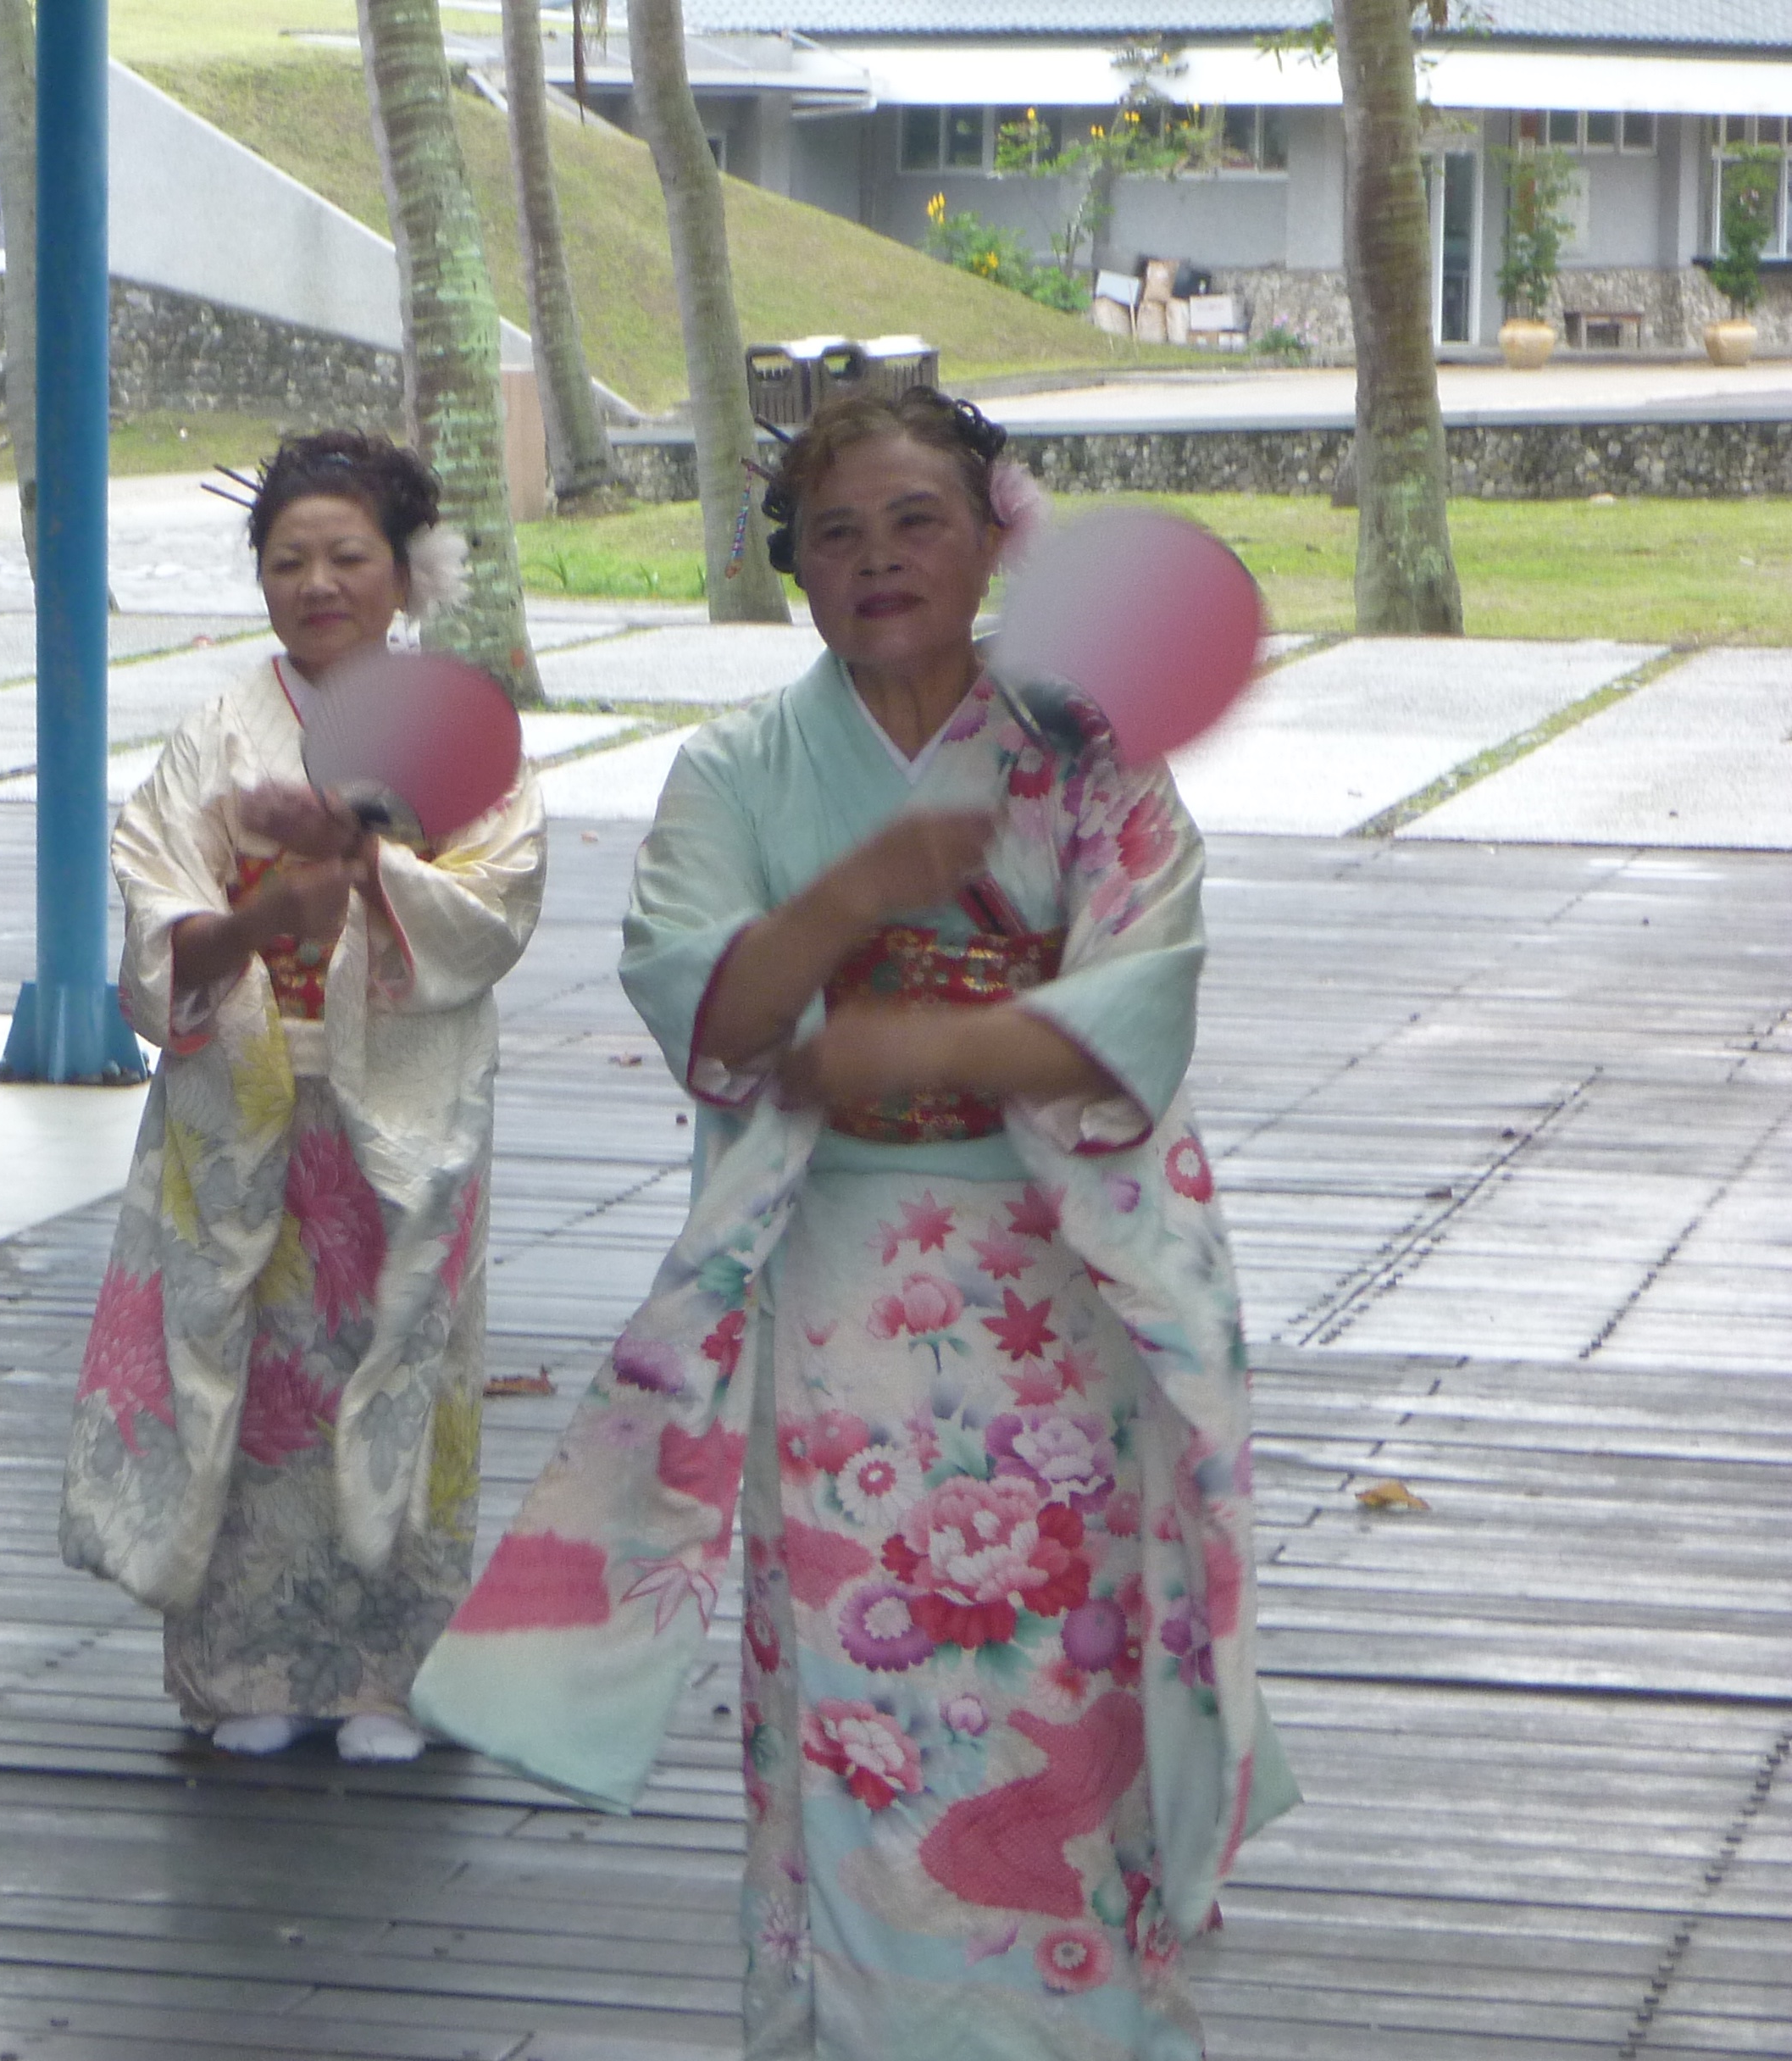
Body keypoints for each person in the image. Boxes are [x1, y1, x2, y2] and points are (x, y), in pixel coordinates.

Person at [413, 390, 1293, 2056]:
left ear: (993, 546)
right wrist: (856, 899)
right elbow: (715, 1013)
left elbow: (1137, 1007)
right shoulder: (735, 769)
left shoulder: (1088, 761)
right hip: (836, 1294)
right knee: (850, 1696)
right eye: (837, 533)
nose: (879, 559)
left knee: (1066, 1688)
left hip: (1052, 1301)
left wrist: (914, 1046)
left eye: (917, 522)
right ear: (794, 570)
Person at [60, 431, 546, 1764]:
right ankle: (242, 1665)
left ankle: (395, 1674)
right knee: (244, 1380)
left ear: (408, 571)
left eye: (347, 557)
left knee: (400, 1373)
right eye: (288, 562)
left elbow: (498, 902)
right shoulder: (221, 729)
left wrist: (369, 866)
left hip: (402, 1098)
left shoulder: (462, 732)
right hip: (248, 1094)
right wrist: (262, 916)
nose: (317, 584)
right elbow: (158, 898)